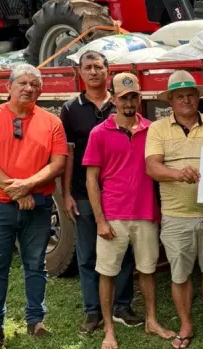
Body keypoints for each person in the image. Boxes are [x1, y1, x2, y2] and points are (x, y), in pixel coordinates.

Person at [0, 64, 68, 349]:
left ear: (41, 90)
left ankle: (35, 321)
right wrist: (17, 190)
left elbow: (58, 164)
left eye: (34, 84)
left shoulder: (51, 122)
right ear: (8, 87)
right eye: (23, 83)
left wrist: (27, 186)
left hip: (37, 205)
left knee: (36, 265)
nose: (29, 88)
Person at [84, 72, 174, 349]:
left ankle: (151, 320)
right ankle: (109, 329)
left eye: (133, 96)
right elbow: (91, 180)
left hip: (146, 213)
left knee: (147, 270)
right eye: (123, 97)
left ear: (140, 97)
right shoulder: (99, 133)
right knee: (107, 273)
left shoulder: (153, 130)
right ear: (113, 99)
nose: (129, 102)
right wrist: (100, 220)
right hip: (113, 216)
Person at [145, 70, 203, 348]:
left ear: (198, 98)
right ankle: (186, 324)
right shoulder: (158, 128)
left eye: (190, 95)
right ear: (170, 100)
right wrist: (176, 173)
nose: (186, 100)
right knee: (179, 274)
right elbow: (152, 167)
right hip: (176, 216)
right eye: (179, 96)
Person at [60, 51, 142, 333]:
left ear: (108, 71)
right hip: (84, 191)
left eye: (98, 67)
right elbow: (68, 153)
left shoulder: (122, 103)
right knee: (87, 255)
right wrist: (67, 193)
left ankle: (122, 306)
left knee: (123, 252)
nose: (93, 72)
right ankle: (92, 311)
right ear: (79, 73)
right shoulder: (71, 108)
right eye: (87, 67)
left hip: (119, 193)